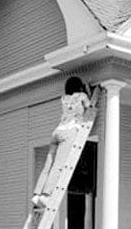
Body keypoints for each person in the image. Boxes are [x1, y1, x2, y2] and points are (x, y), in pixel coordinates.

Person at [32, 77, 91, 208]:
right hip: (69, 131)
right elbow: (89, 105)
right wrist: (87, 90)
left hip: (57, 131)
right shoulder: (81, 95)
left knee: (48, 165)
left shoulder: (63, 98)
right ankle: (46, 195)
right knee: (58, 166)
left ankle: (37, 195)